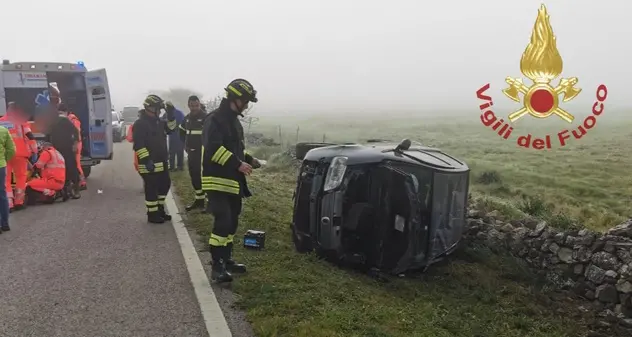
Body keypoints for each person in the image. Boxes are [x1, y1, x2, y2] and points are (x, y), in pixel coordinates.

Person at [202, 79, 262, 283]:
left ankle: (226, 260)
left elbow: (235, 149)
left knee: (232, 222)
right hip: (216, 180)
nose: (246, 105)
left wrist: (248, 159)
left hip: (233, 181)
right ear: (234, 98)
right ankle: (217, 266)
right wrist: (237, 164)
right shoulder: (215, 119)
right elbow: (213, 149)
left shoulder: (234, 122)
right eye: (245, 101)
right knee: (223, 221)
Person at [132, 95, 177, 223]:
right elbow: (138, 145)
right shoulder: (140, 124)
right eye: (158, 108)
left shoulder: (159, 122)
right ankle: (152, 214)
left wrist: (171, 115)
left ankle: (159, 209)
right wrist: (146, 160)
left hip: (161, 162)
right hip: (148, 164)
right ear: (149, 107)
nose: (159, 111)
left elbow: (171, 129)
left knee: (164, 185)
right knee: (151, 188)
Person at [43, 84, 81, 199]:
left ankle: (63, 187)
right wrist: (75, 144)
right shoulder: (66, 120)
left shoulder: (53, 121)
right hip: (67, 149)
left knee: (60, 168)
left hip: (57, 149)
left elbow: (47, 135)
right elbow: (76, 133)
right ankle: (74, 189)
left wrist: (47, 145)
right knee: (71, 168)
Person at [0, 102, 37, 211]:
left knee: (5, 179)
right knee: (21, 177)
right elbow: (29, 135)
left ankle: (9, 203)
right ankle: (19, 202)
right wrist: (34, 150)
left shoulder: (1, 121)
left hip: (5, 154)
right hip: (20, 153)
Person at [179, 95, 208, 211]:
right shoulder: (186, 118)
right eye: (192, 106)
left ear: (199, 104)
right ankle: (199, 200)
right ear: (188, 105)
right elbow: (181, 131)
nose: (194, 108)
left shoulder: (206, 118)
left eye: (196, 105)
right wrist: (185, 144)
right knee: (194, 175)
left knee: (206, 177)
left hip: (204, 152)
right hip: (192, 152)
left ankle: (209, 203)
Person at [59, 103, 87, 190]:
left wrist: (74, 143)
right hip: (74, 143)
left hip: (76, 144)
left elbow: (76, 133)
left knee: (76, 164)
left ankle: (82, 182)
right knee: (74, 164)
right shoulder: (69, 119)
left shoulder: (73, 120)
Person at [0, 123, 16, 233]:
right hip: (0, 166)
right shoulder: (3, 130)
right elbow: (12, 150)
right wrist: (4, 159)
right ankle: (5, 224)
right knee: (2, 195)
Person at [168, 105, 185, 171]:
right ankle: (178, 166)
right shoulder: (179, 113)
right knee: (177, 151)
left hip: (175, 135)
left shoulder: (170, 113)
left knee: (174, 152)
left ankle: (174, 167)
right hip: (176, 135)